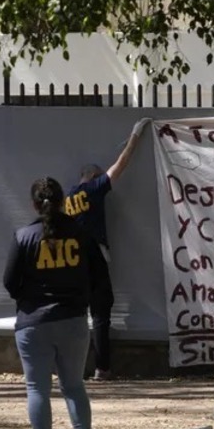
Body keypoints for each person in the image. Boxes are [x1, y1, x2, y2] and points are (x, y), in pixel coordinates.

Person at [3, 177, 112, 429]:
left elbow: (10, 283)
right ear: (65, 201)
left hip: (33, 324)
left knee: (37, 388)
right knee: (74, 386)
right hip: (74, 321)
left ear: (34, 204)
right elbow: (100, 276)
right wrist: (79, 297)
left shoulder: (24, 235)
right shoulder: (82, 235)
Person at [64, 118, 152, 381]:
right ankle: (102, 368)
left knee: (77, 315)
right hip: (94, 257)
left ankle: (72, 367)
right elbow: (121, 165)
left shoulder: (69, 197)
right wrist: (135, 136)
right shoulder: (94, 188)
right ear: (93, 176)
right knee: (101, 313)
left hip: (72, 260)